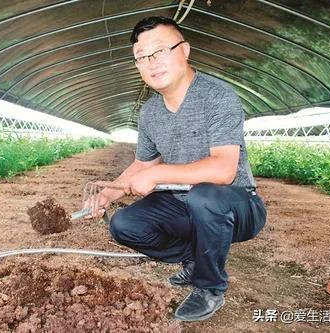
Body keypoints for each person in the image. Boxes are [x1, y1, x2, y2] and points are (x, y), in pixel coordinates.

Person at [84, 16, 267, 322]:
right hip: (181, 205)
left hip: (234, 204)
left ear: (185, 50)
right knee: (124, 225)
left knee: (205, 197)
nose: (151, 63)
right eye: (141, 57)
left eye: (159, 51)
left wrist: (158, 175)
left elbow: (223, 170)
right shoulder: (150, 112)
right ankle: (195, 258)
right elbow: (144, 163)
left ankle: (209, 287)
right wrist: (107, 194)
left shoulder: (218, 97)